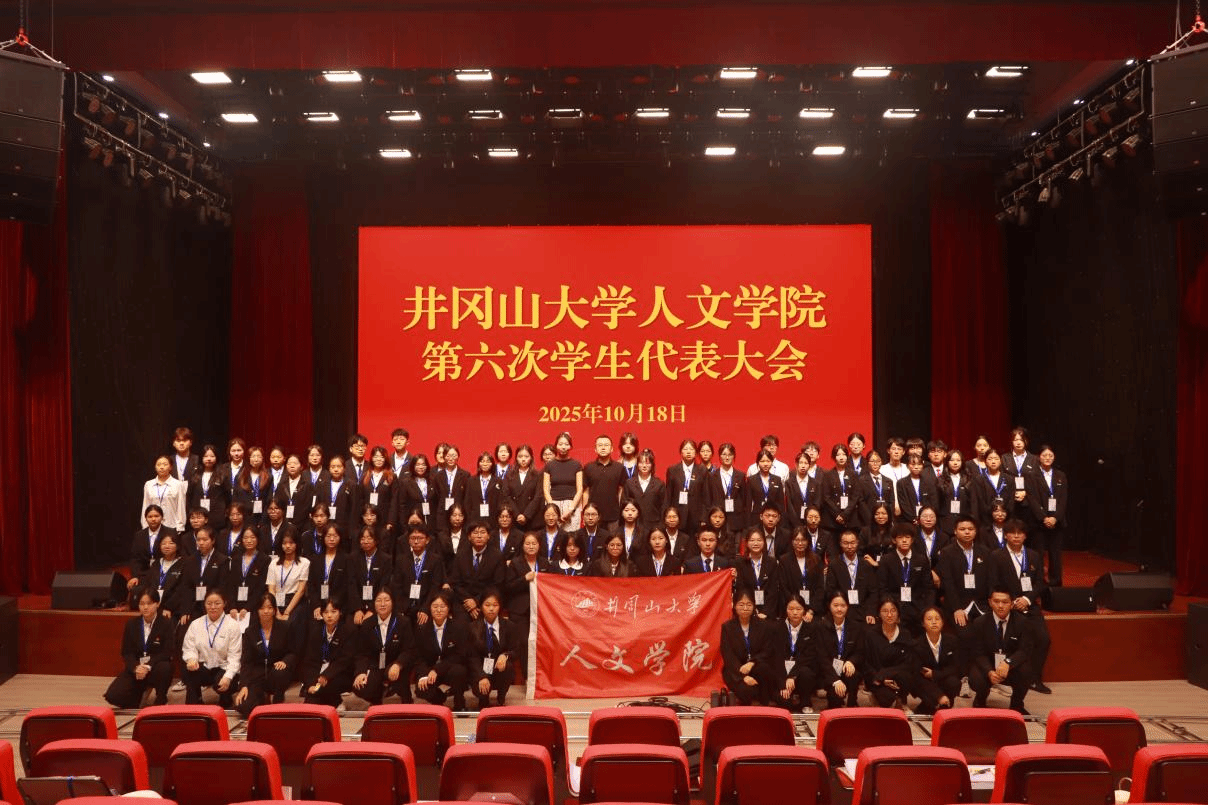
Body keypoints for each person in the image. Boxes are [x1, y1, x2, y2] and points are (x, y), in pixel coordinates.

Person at [988, 518, 1053, 695]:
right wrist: (1009, 602)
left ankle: (1034, 679)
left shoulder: (1034, 555)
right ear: (1006, 535)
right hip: (1006, 607)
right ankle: (1007, 679)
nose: (1016, 536)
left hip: (1029, 606)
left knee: (1044, 639)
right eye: (1012, 533)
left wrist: (1027, 599)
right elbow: (993, 583)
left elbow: (1040, 582)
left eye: (1020, 533)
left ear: (1025, 536)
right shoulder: (996, 556)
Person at [968, 587, 1036, 714]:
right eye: (996, 601)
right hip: (989, 664)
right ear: (990, 602)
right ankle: (980, 699)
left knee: (1026, 671)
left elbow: (1024, 650)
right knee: (976, 677)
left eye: (1005, 602)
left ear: (1012, 603)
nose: (1000, 606)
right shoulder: (979, 623)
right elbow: (978, 653)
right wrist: (989, 672)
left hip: (1010, 666)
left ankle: (1016, 704)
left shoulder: (1022, 622)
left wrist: (1008, 663)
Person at [104, 587, 173, 708]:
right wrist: (136, 667)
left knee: (165, 667)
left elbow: (167, 652)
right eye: (142, 604)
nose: (145, 607)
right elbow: (127, 653)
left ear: (157, 604)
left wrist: (148, 666)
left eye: (149, 603)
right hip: (137, 668)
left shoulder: (166, 623)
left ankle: (161, 697)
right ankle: (138, 696)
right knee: (112, 696)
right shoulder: (132, 624)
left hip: (155, 666)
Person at [232, 592, 299, 717]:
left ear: (274, 610)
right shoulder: (250, 631)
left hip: (277, 672)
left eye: (269, 607)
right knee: (244, 707)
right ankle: (261, 698)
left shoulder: (286, 627)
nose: (266, 611)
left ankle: (278, 699)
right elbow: (246, 662)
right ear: (257, 610)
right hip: (258, 675)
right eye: (262, 608)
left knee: (280, 672)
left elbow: (293, 652)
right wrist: (244, 686)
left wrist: (285, 661)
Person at [352, 588, 415, 704]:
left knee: (399, 675)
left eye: (386, 600)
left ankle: (405, 696)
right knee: (360, 687)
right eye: (378, 600)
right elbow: (361, 653)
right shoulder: (367, 624)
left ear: (392, 602)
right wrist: (361, 672)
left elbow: (409, 650)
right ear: (374, 603)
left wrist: (398, 664)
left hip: (396, 664)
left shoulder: (403, 622)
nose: (382, 604)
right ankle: (377, 697)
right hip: (376, 666)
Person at [180, 589, 242, 706]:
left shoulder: (233, 625)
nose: (213, 607)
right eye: (209, 603)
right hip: (205, 666)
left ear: (224, 604)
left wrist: (228, 677)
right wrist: (192, 659)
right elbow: (189, 648)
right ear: (204, 604)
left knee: (223, 683)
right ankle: (195, 702)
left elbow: (235, 656)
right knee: (187, 668)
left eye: (217, 603)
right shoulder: (196, 624)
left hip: (224, 667)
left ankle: (226, 700)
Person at [413, 592, 470, 710]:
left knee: (459, 671)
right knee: (421, 689)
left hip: (450, 668)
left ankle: (459, 701)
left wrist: (437, 670)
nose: (438, 610)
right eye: (435, 606)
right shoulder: (421, 629)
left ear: (448, 609)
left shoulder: (458, 627)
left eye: (442, 607)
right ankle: (439, 699)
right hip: (429, 670)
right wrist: (423, 675)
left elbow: (460, 655)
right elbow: (418, 657)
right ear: (430, 608)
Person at [937, 515, 991, 636]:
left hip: (982, 605)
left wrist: (991, 605)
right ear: (955, 531)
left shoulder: (985, 551)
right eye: (962, 529)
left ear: (976, 531)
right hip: (959, 605)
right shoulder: (946, 553)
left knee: (989, 632)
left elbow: (990, 580)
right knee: (965, 634)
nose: (967, 532)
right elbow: (948, 583)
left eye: (970, 529)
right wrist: (957, 608)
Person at [876, 522, 934, 636]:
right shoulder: (886, 560)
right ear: (894, 540)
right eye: (900, 537)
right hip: (895, 607)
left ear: (912, 540)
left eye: (907, 537)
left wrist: (926, 609)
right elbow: (882, 588)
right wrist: (891, 609)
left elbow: (929, 588)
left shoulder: (921, 560)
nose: (904, 540)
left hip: (918, 608)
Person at [720, 589, 776, 705]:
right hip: (735, 670)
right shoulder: (727, 627)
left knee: (764, 669)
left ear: (754, 606)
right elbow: (728, 655)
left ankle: (765, 703)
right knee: (747, 691)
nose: (745, 608)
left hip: (755, 666)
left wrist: (752, 662)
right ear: (735, 606)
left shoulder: (763, 625)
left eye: (749, 604)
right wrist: (743, 677)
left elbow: (767, 650)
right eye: (741, 604)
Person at [503, 533, 549, 671]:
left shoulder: (545, 563)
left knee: (543, 642)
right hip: (520, 611)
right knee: (524, 642)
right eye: (527, 544)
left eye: (534, 543)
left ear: (539, 545)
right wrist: (524, 579)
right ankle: (528, 676)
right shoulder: (515, 563)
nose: (531, 546)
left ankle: (541, 675)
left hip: (541, 610)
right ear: (522, 546)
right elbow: (508, 587)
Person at [864, 598, 919, 709]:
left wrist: (886, 674)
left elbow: (908, 663)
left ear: (898, 613)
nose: (889, 615)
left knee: (907, 676)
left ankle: (901, 701)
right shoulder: (871, 634)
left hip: (897, 677)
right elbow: (866, 663)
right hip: (878, 679)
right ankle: (883, 698)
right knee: (887, 699)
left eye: (893, 611)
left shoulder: (905, 634)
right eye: (885, 611)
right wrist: (882, 679)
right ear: (879, 613)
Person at [300, 598, 355, 706]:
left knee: (326, 686)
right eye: (326, 612)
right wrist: (310, 684)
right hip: (319, 673)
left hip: (340, 673)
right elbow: (309, 661)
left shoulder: (348, 630)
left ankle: (336, 703)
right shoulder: (316, 631)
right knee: (311, 699)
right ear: (321, 614)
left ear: (340, 613)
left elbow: (345, 661)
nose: (329, 615)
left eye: (333, 612)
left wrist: (326, 675)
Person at [1026, 445, 1068, 587]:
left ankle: (1056, 583)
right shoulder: (1031, 475)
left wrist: (1055, 518)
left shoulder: (1060, 475)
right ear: (1039, 457)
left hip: (1057, 522)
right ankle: (1039, 585)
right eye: (1044, 455)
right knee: (1038, 555)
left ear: (1054, 457)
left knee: (1055, 554)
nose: (1047, 458)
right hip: (1039, 522)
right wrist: (1044, 518)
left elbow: (1063, 499)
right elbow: (1032, 499)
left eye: (1050, 455)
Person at [468, 589, 516, 708]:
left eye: (495, 605)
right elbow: (471, 657)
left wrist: (505, 655)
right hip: (480, 669)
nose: (491, 609)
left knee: (508, 666)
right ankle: (483, 698)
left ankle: (501, 696)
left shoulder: (509, 626)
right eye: (487, 605)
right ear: (481, 606)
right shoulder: (472, 628)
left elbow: (515, 650)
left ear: (500, 607)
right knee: (481, 694)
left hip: (497, 668)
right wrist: (481, 676)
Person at [815, 591, 864, 709]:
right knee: (835, 700)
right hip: (829, 672)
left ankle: (852, 701)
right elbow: (821, 657)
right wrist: (835, 680)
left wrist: (851, 661)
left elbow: (860, 651)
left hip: (846, 670)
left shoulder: (856, 626)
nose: (839, 609)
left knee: (855, 674)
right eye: (835, 605)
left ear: (848, 606)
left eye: (843, 605)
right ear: (829, 606)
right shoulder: (820, 626)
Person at [913, 606, 963, 715]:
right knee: (917, 681)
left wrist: (935, 674)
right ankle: (932, 703)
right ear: (923, 623)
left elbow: (956, 667)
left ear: (943, 622)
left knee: (954, 683)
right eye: (929, 619)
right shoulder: (916, 644)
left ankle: (942, 704)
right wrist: (939, 695)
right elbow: (917, 673)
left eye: (937, 618)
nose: (934, 622)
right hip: (924, 681)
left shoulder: (952, 640)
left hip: (943, 677)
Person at [773, 594, 819, 712]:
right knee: (785, 704)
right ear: (786, 610)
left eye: (798, 609)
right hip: (781, 674)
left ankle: (805, 702)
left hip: (800, 672)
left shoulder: (811, 628)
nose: (795, 612)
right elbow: (776, 658)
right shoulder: (776, 628)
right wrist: (783, 683)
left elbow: (808, 657)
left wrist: (792, 676)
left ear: (804, 610)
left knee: (807, 672)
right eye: (791, 609)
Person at [450, 521, 505, 619]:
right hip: (463, 600)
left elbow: (497, 584)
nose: (479, 536)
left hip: (487, 599)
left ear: (488, 536)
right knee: (460, 622)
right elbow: (455, 583)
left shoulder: (497, 556)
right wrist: (469, 601)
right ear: (469, 537)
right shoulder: (461, 554)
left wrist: (476, 601)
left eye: (483, 532)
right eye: (475, 533)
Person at [825, 530, 880, 626]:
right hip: (842, 610)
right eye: (846, 543)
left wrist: (871, 612)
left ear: (857, 543)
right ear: (840, 544)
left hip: (863, 611)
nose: (849, 546)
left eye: (852, 543)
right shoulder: (834, 565)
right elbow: (830, 591)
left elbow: (873, 592)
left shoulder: (866, 564)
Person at [393, 525, 445, 625]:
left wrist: (426, 609)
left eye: (420, 538)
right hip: (405, 607)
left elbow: (435, 587)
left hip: (425, 605)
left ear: (427, 540)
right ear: (408, 540)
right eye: (413, 538)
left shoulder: (435, 560)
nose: (416, 541)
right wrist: (401, 609)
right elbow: (397, 587)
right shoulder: (401, 560)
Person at [223, 527, 269, 628]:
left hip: (254, 605)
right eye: (245, 538)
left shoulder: (265, 559)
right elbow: (230, 585)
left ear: (258, 539)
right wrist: (232, 606)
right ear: (242, 540)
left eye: (252, 537)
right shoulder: (235, 559)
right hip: (235, 606)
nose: (249, 540)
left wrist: (247, 608)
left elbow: (261, 588)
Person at [266, 532, 310, 636]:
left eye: (291, 543)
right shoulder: (274, 563)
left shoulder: (304, 563)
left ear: (297, 544)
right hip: (276, 600)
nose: (288, 546)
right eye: (284, 543)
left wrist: (286, 612)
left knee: (290, 624)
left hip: (295, 601)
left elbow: (301, 591)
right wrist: (276, 610)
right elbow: (271, 589)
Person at [349, 527, 394, 625]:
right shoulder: (353, 558)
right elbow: (351, 585)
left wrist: (372, 609)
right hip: (357, 605)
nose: (365, 541)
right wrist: (357, 609)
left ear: (376, 540)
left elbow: (383, 585)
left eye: (369, 538)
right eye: (362, 538)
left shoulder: (386, 559)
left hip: (377, 606)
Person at [705, 443, 748, 541]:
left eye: (730, 454)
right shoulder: (711, 476)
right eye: (724, 454)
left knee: (735, 548)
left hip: (736, 521)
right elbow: (708, 499)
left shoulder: (740, 476)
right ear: (719, 456)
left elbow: (744, 500)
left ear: (734, 456)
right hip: (717, 520)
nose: (727, 457)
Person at [736, 528, 781, 620]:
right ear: (747, 543)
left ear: (764, 542)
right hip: (747, 611)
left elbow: (773, 591)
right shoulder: (740, 563)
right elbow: (741, 589)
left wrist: (765, 612)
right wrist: (752, 610)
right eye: (752, 540)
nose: (755, 543)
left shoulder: (772, 562)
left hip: (769, 612)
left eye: (759, 540)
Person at [583, 434, 626, 531]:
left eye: (606, 445)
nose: (603, 448)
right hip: (593, 515)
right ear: (595, 449)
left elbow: (621, 490)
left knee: (614, 540)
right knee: (593, 540)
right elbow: (585, 492)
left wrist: (620, 509)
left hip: (613, 515)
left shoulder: (619, 468)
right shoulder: (588, 467)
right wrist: (585, 512)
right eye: (600, 445)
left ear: (612, 449)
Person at [665, 439, 707, 535]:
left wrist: (704, 518)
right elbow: (668, 495)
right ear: (681, 452)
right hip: (677, 515)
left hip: (696, 517)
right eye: (685, 449)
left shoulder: (702, 470)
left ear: (696, 453)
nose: (688, 452)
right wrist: (668, 516)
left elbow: (706, 496)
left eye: (691, 449)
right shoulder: (672, 470)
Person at [779, 528, 824, 618]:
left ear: (808, 541)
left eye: (803, 540)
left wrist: (811, 611)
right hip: (792, 609)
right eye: (797, 540)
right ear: (792, 542)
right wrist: (796, 609)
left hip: (812, 611)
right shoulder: (784, 560)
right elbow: (784, 587)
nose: (800, 543)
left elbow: (820, 588)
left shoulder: (816, 559)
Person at [543, 432, 584, 530]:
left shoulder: (577, 465)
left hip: (572, 505)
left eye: (566, 444)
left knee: (572, 537)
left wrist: (570, 509)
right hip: (553, 503)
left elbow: (580, 489)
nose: (563, 447)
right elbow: (545, 489)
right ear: (556, 446)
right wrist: (552, 508)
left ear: (570, 446)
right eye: (560, 444)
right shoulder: (549, 465)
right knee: (554, 535)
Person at [307, 523, 348, 620]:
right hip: (318, 605)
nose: (332, 539)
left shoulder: (346, 559)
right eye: (328, 536)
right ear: (323, 538)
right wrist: (316, 605)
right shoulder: (316, 559)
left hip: (338, 606)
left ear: (340, 538)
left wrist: (332, 606)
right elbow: (311, 585)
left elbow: (346, 586)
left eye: (335, 536)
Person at [820, 444, 860, 542]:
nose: (841, 457)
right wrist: (837, 514)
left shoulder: (853, 474)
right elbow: (826, 497)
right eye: (838, 455)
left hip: (850, 518)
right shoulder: (828, 475)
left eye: (844, 454)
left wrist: (845, 514)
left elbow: (855, 496)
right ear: (834, 457)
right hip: (833, 519)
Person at [129, 505, 171, 595]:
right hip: (144, 574)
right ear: (145, 518)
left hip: (164, 573)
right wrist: (135, 576)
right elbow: (135, 559)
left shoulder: (170, 532)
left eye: (156, 516)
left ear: (162, 517)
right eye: (150, 516)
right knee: (136, 590)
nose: (153, 519)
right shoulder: (139, 535)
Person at [938, 449, 979, 537]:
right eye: (952, 460)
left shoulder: (969, 479)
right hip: (945, 522)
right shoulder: (940, 480)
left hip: (964, 521)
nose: (955, 463)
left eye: (958, 460)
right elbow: (937, 503)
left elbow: (974, 502)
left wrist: (973, 520)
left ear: (962, 462)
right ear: (947, 462)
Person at [188, 445, 230, 532]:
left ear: (216, 458)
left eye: (212, 456)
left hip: (217, 516)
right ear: (201, 458)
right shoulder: (195, 474)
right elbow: (190, 495)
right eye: (206, 456)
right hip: (198, 516)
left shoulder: (223, 474)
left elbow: (228, 496)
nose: (209, 459)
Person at [623, 448, 666, 531]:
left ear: (652, 465)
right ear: (637, 464)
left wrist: (660, 526)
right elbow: (624, 504)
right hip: (634, 525)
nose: (644, 466)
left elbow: (663, 507)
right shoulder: (629, 483)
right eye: (641, 463)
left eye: (647, 463)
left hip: (654, 526)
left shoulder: (659, 484)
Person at [142, 456, 187, 533]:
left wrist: (179, 527)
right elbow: (145, 506)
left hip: (171, 526)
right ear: (155, 467)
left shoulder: (178, 484)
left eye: (165, 464)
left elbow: (181, 507)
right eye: (158, 464)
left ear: (170, 467)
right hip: (153, 527)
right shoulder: (148, 484)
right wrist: (145, 526)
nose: (161, 467)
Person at [503, 445, 542, 531]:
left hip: (531, 518)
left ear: (531, 458)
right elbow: (506, 496)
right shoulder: (509, 475)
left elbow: (537, 497)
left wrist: (526, 515)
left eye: (526, 456)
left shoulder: (537, 475)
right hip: (514, 517)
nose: (523, 459)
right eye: (520, 456)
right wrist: (517, 514)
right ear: (516, 458)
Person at [397, 453, 439, 533]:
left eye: (423, 464)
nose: (421, 467)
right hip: (413, 523)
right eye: (418, 465)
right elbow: (402, 506)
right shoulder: (406, 482)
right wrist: (404, 527)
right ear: (413, 466)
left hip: (431, 523)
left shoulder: (433, 481)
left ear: (427, 466)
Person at [895, 454, 938, 525]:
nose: (916, 467)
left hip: (927, 520)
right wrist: (914, 519)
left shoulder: (929, 482)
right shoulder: (901, 483)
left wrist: (925, 518)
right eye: (913, 464)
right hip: (908, 521)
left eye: (919, 464)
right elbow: (903, 504)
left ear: (922, 466)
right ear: (907, 466)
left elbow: (933, 502)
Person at [784, 451, 820, 533]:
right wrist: (797, 524)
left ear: (809, 465)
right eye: (801, 463)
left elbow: (817, 503)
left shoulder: (816, 483)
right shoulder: (789, 483)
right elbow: (789, 505)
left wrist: (810, 520)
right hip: (793, 523)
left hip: (811, 523)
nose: (803, 466)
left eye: (806, 463)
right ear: (796, 464)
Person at [464, 451, 505, 525]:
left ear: (492, 464)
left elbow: (500, 502)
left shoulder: (498, 481)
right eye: (482, 461)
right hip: (474, 519)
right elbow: (467, 502)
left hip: (493, 519)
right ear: (479, 464)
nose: (485, 464)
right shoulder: (471, 481)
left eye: (488, 461)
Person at [276, 455, 314, 532]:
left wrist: (295, 523)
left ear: (301, 467)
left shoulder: (307, 485)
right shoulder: (281, 485)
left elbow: (307, 506)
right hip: (283, 525)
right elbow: (278, 504)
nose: (292, 466)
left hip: (302, 526)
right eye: (289, 463)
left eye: (295, 463)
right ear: (286, 466)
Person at [747, 449, 786, 519]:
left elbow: (781, 503)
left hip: (773, 516)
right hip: (756, 516)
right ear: (758, 462)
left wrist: (781, 520)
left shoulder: (777, 479)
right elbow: (748, 504)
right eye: (762, 461)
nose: (765, 464)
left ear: (772, 462)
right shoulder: (751, 480)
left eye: (768, 461)